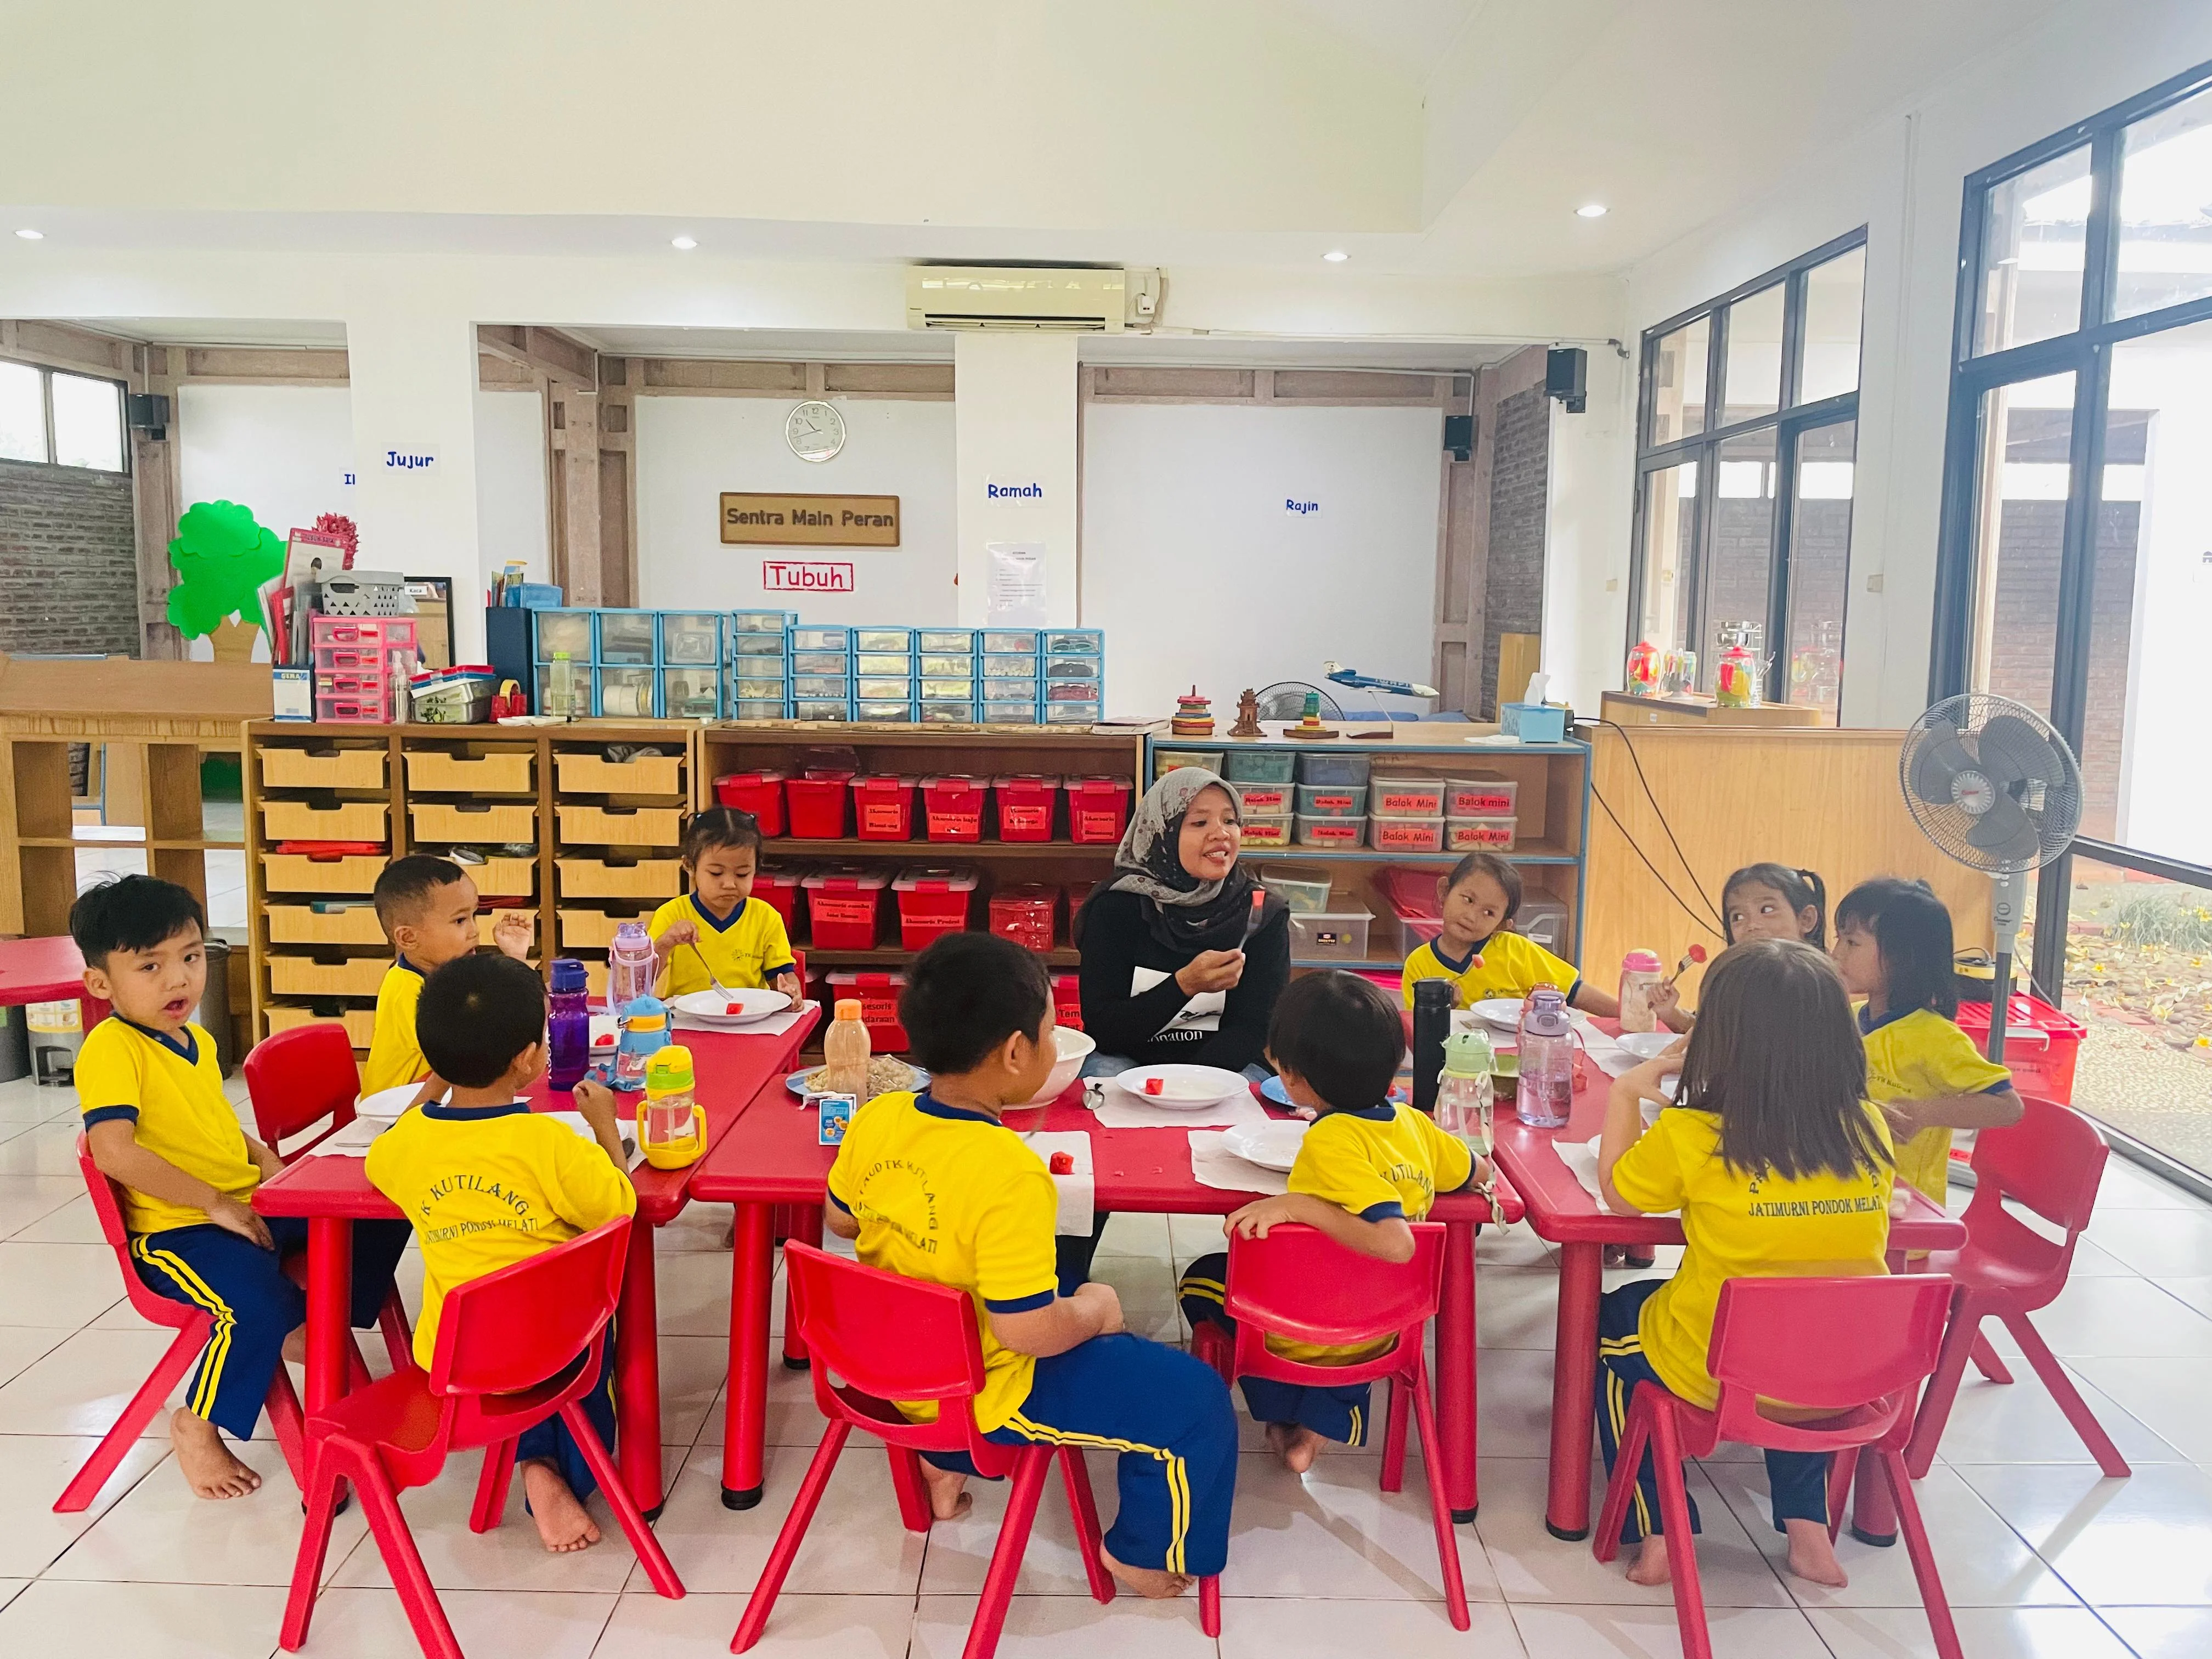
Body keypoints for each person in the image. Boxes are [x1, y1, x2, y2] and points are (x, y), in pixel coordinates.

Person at [825, 932, 1238, 1602]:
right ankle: (1142, 1551)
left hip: (891, 1366)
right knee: (1196, 1400)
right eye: (1050, 1030)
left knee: (1058, 1276)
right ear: (1017, 1053)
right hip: (984, 1393)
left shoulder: (878, 1118)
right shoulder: (1011, 1172)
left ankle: (941, 1463)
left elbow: (841, 1220)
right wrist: (1096, 1312)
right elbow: (1023, 1332)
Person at [72, 875, 409, 1501]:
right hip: (179, 1233)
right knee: (256, 1306)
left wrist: (269, 1165)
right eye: (150, 966)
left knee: (379, 1209)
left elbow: (218, 1129)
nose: (178, 980)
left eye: (191, 957)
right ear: (101, 984)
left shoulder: (196, 1040)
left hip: (245, 1204)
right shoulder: (112, 1048)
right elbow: (114, 1151)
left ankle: (317, 1326)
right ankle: (196, 1424)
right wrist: (214, 1202)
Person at [1595, 938, 1895, 1590]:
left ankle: (1660, 1526)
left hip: (1723, 1375)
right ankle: (1808, 1531)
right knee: (1807, 1323)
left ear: (1720, 1041)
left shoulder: (1694, 1134)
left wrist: (1625, 1094)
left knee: (1611, 1322)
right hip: (1847, 1374)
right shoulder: (1868, 1126)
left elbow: (1619, 1192)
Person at [365, 953, 635, 1554]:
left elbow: (382, 1154)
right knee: (591, 1336)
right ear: (527, 1058)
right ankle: (561, 1473)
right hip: (558, 1344)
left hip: (456, 1357)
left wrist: (435, 1086)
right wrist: (605, 1127)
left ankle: (532, 1461)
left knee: (514, 1338)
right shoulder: (548, 1142)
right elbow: (620, 1209)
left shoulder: (408, 1146)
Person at [1178, 972, 1483, 1472]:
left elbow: (1396, 1242)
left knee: (1203, 1281)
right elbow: (1477, 1171)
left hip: (1299, 1330)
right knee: (1351, 1297)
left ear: (1292, 1079)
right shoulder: (1415, 1126)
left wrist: (1301, 1207)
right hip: (1385, 1328)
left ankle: (1279, 1414)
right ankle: (1318, 1427)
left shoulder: (1330, 1140)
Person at [1074, 767, 1290, 1076]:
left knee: (1252, 1092)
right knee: (1104, 1076)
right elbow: (1104, 1028)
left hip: (1222, 1067)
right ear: (1162, 832)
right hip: (1128, 1059)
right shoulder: (1117, 907)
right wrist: (1185, 985)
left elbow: (1255, 1027)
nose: (1221, 833)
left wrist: (1189, 1083)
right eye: (1200, 823)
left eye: (1230, 821)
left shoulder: (1260, 911)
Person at [1831, 877, 2021, 1209]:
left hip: (1906, 1208)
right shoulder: (1850, 1017)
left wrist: (1923, 1113)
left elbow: (2008, 1107)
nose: (1836, 954)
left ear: (1902, 957)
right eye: (1839, 939)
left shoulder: (1937, 1037)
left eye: (1852, 942)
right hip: (1850, 1194)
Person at [1402, 852, 1664, 1024]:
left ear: (1502, 925)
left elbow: (1573, 991)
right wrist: (1443, 1007)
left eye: (1489, 913)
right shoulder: (1419, 964)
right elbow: (1419, 1030)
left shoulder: (1515, 949)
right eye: (1468, 900)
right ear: (1444, 891)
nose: (1472, 916)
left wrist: (1630, 1014)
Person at [363, 854, 534, 1098]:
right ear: (408, 938)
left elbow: (509, 1016)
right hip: (397, 1111)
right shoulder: (404, 988)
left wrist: (516, 957)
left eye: (474, 916)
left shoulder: (452, 975)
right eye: (460, 920)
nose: (474, 931)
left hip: (436, 1098)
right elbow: (479, 1045)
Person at [648, 806, 804, 1006]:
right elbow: (643, 980)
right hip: (688, 1019)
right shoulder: (672, 914)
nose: (730, 884)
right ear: (690, 866)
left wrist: (790, 992)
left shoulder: (766, 917)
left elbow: (782, 976)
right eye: (716, 873)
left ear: (756, 868)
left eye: (742, 874)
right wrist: (666, 943)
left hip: (749, 1017)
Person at [1651, 863, 1827, 1028]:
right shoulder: (1733, 981)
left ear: (1806, 919)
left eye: (1767, 910)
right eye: (1738, 917)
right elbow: (1716, 1033)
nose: (1752, 925)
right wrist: (1673, 1015)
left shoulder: (1820, 985)